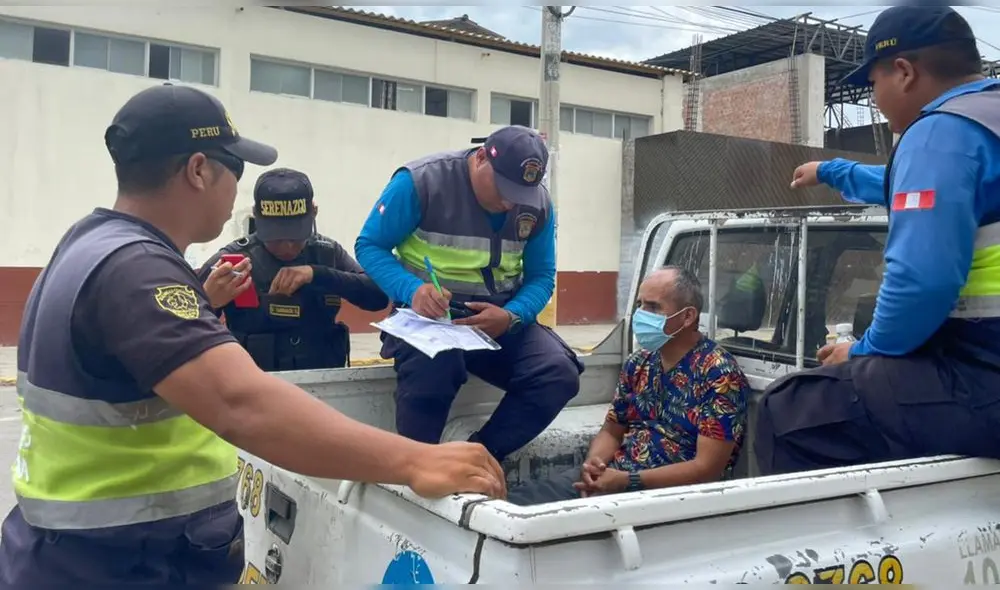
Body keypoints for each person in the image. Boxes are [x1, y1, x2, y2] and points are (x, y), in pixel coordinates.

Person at [0, 83, 505, 586]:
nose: (236, 191)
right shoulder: (138, 269)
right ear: (198, 170)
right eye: (235, 171)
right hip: (118, 563)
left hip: (98, 552)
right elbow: (241, 403)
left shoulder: (93, 243)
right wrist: (416, 460)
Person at [755, 5, 1000, 475]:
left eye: (873, 83)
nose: (875, 97)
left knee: (792, 409)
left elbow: (920, 283)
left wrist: (864, 349)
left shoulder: (939, 132)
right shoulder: (982, 124)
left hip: (984, 374)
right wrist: (831, 171)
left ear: (904, 72)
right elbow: (915, 185)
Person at [355, 125, 584, 463]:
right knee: (434, 369)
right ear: (480, 159)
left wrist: (512, 316)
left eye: (519, 194)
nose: (509, 202)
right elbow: (369, 246)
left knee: (558, 373)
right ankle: (420, 467)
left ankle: (478, 457)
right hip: (428, 316)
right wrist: (414, 291)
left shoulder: (537, 206)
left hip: (497, 320)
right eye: (503, 188)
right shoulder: (421, 182)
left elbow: (542, 276)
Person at [506, 267, 750, 505]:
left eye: (653, 307)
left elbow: (706, 469)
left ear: (687, 317)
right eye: (639, 305)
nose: (641, 315)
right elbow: (613, 429)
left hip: (669, 498)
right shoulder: (639, 362)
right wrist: (594, 467)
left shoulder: (718, 373)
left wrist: (626, 481)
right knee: (517, 502)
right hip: (617, 478)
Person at [198, 168, 388, 370]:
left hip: (324, 382)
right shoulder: (235, 261)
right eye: (276, 238)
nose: (287, 246)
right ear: (256, 215)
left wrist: (316, 274)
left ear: (313, 212)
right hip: (255, 388)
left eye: (296, 236)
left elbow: (377, 297)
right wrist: (210, 301)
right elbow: (183, 325)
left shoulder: (327, 254)